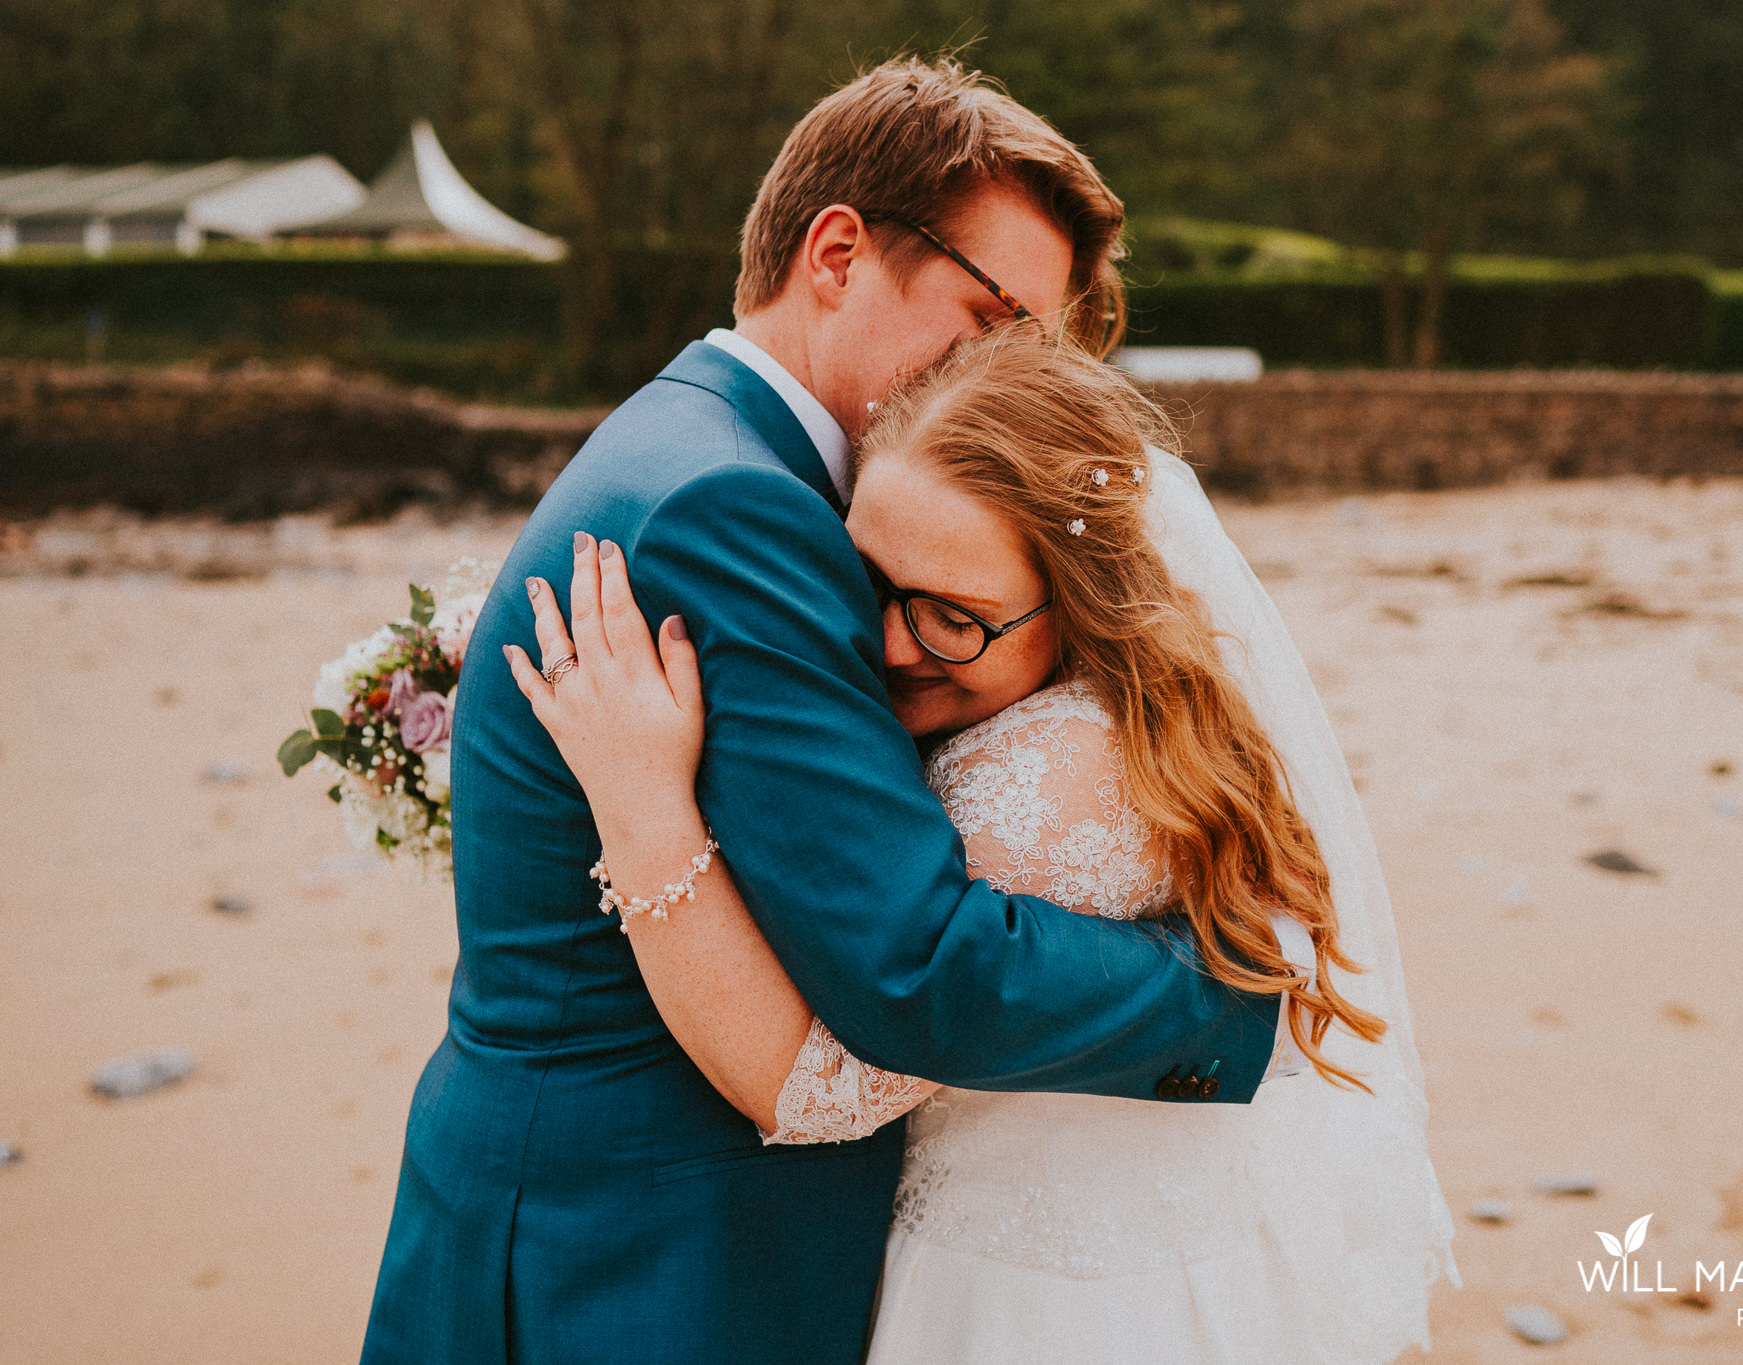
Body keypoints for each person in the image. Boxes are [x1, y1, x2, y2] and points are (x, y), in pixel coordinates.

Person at [360, 58, 1305, 1365]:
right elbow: (909, 965)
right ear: (839, 251)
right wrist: (1223, 999)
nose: (1005, 378)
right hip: (646, 1263)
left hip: (561, 1218)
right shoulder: (739, 509)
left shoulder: (689, 441)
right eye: (993, 319)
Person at [509, 330, 1457, 1362]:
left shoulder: (1053, 772)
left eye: (951, 618)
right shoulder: (1118, 715)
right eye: (864, 583)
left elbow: (808, 1087)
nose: (885, 644)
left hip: (1047, 1308)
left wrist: (637, 793)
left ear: (1080, 603)